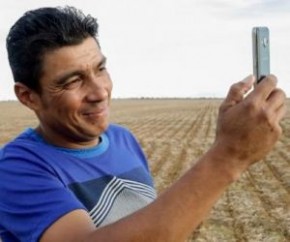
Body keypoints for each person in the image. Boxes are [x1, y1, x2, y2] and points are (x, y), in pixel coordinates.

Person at [0, 6, 286, 242]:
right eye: (73, 80)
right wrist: (229, 155)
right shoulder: (16, 168)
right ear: (28, 96)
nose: (99, 92)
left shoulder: (124, 140)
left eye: (100, 69)